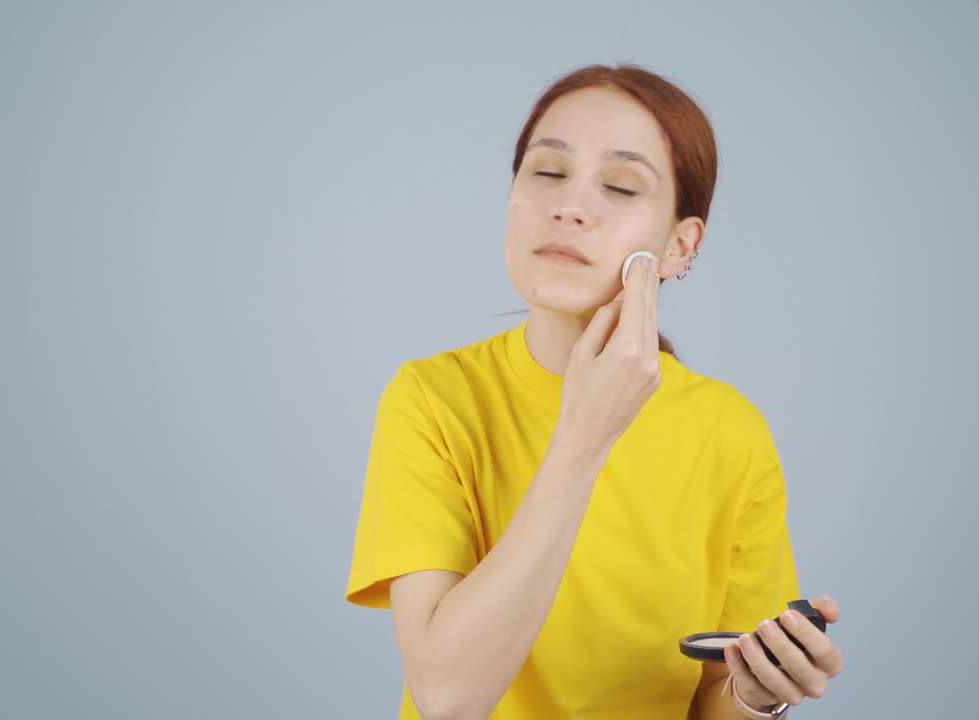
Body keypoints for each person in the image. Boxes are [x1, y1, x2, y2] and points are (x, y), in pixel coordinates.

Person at [345, 63, 844, 719]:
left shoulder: (730, 431)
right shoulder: (433, 399)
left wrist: (754, 696)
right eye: (547, 172)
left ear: (678, 247)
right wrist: (585, 435)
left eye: (620, 185)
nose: (569, 206)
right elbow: (447, 698)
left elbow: (709, 702)